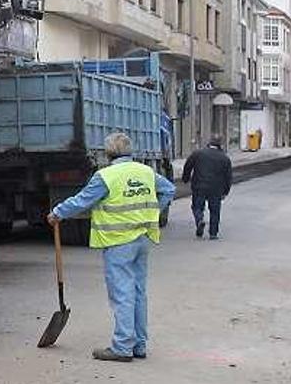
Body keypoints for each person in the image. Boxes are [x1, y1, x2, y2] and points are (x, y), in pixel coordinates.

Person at [47, 132, 176, 362]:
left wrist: (57, 213)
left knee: (122, 293)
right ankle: (139, 345)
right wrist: (154, 212)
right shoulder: (146, 171)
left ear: (108, 153)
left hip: (118, 240)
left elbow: (82, 200)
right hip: (143, 238)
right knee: (138, 291)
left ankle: (122, 347)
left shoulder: (105, 176)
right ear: (130, 151)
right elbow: (169, 190)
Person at [182, 135, 233, 240]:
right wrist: (225, 191)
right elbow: (228, 177)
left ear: (209, 143)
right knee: (215, 210)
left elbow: (188, 166)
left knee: (197, 207)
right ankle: (213, 233)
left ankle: (199, 220)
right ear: (220, 145)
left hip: (199, 186)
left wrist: (185, 178)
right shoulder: (224, 158)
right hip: (216, 189)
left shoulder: (198, 153)